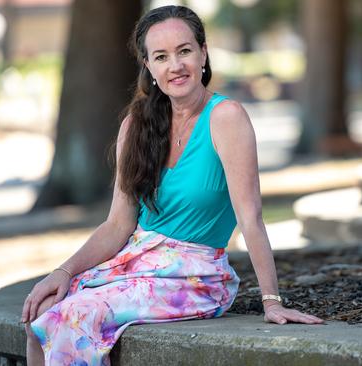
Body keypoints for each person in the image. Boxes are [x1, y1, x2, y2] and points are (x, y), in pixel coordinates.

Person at [21, 5, 324, 365]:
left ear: (203, 53)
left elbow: (251, 217)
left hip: (196, 277)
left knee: (72, 317)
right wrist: (63, 272)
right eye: (161, 57)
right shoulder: (135, 126)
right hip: (136, 264)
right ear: (148, 67)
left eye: (184, 51)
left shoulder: (226, 118)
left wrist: (272, 301)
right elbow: (118, 224)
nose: (175, 66)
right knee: (40, 315)